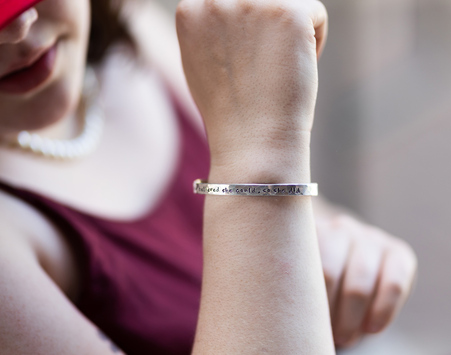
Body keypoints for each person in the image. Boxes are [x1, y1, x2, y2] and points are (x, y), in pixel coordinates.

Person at [0, 0, 418, 353]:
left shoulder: (134, 35)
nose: (19, 26)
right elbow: (269, 177)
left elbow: (309, 223)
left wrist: (347, 252)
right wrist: (261, 154)